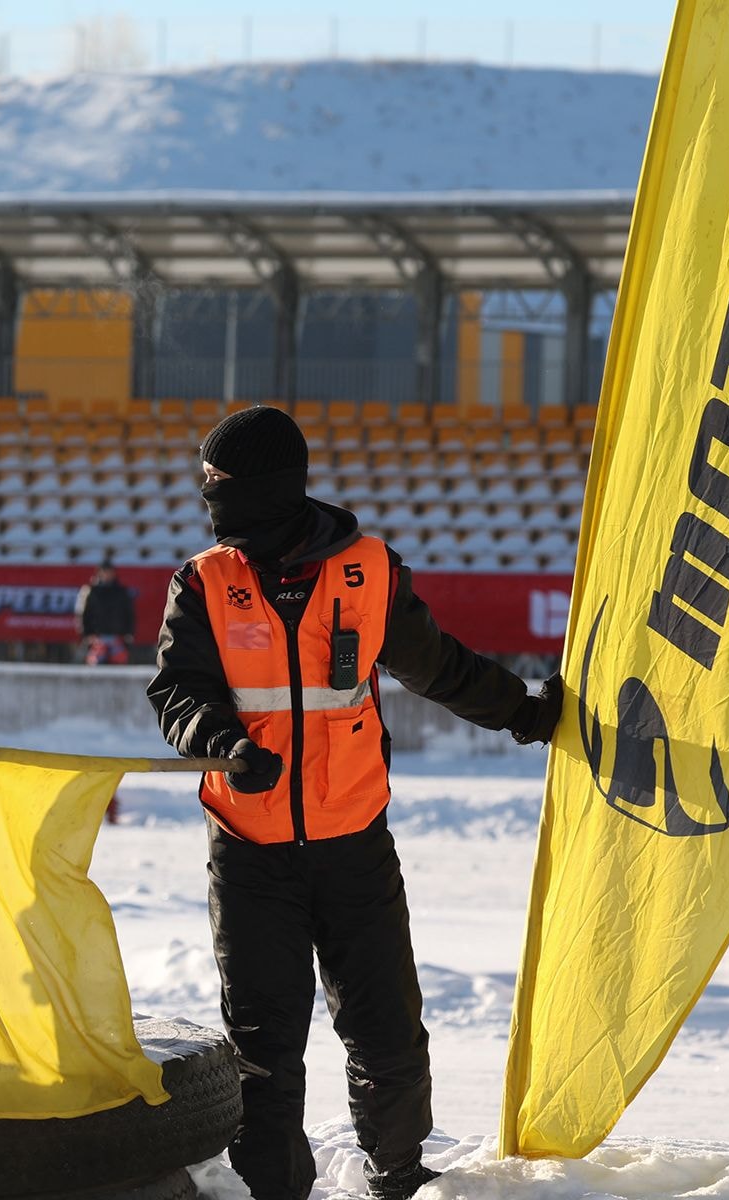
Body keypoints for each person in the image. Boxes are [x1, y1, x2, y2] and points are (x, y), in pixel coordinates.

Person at [146, 406, 562, 1200]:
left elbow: (436, 665)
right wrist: (224, 742)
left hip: (354, 846)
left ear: (269, 489)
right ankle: (275, 1189)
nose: (210, 504)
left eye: (220, 488)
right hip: (249, 852)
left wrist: (527, 712)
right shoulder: (202, 581)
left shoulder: (369, 569)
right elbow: (177, 693)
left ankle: (400, 1176)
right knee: (264, 1051)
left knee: (388, 1035)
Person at [76, 557, 135, 665]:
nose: (107, 574)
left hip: (117, 637)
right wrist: (86, 634)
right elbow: (84, 614)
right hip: (97, 638)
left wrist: (129, 633)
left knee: (119, 662)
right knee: (95, 663)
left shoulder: (121, 591)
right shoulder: (90, 591)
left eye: (110, 572)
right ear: (99, 572)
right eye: (105, 571)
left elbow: (129, 613)